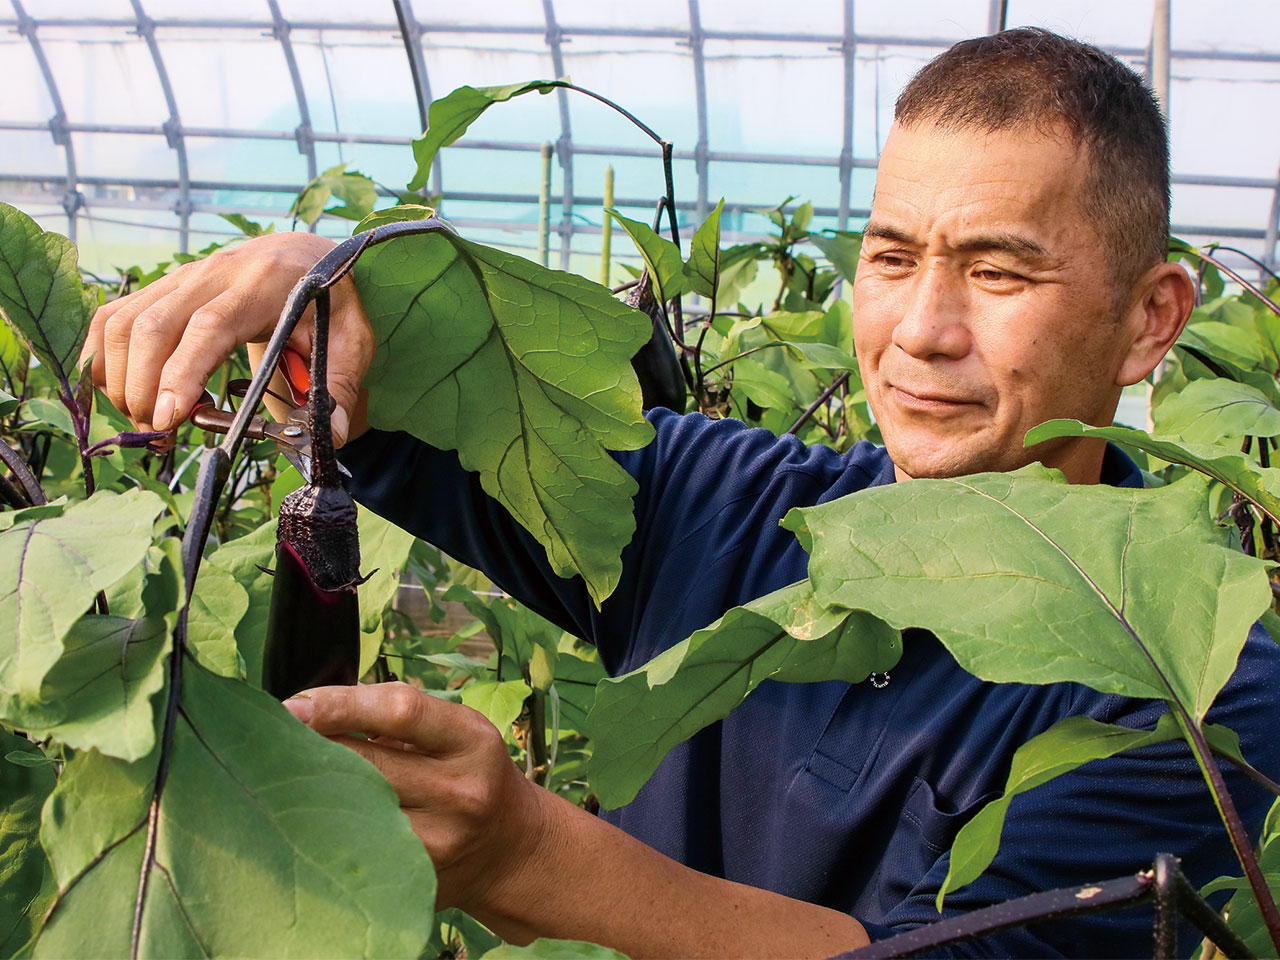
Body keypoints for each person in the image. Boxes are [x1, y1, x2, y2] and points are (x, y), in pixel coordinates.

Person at [84, 28, 1279, 958]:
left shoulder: (1201, 686)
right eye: (891, 257)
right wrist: (319, 274)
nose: (921, 331)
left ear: (1149, 320)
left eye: (998, 271)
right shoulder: (734, 505)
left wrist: (525, 853)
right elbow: (407, 394)